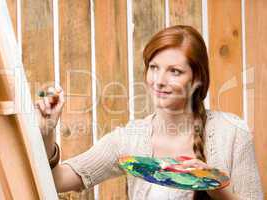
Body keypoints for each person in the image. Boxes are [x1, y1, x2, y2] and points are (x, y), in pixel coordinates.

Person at [36, 25, 263, 200]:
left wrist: (215, 188)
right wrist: (47, 131)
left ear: (198, 78)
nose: (159, 81)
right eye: (154, 68)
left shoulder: (232, 133)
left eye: (174, 71)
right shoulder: (129, 138)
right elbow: (55, 181)